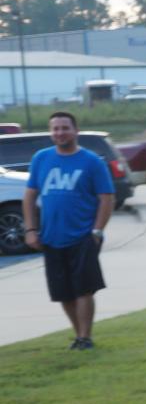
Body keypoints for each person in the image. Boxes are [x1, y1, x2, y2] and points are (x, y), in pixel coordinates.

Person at [22, 111, 115, 350]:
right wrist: (31, 229)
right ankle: (78, 335)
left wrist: (97, 230)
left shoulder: (92, 161)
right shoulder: (41, 158)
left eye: (65, 128)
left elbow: (106, 197)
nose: (60, 133)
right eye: (55, 129)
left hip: (83, 236)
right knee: (63, 293)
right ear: (51, 132)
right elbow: (30, 195)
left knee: (84, 288)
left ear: (76, 131)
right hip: (51, 237)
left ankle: (85, 337)